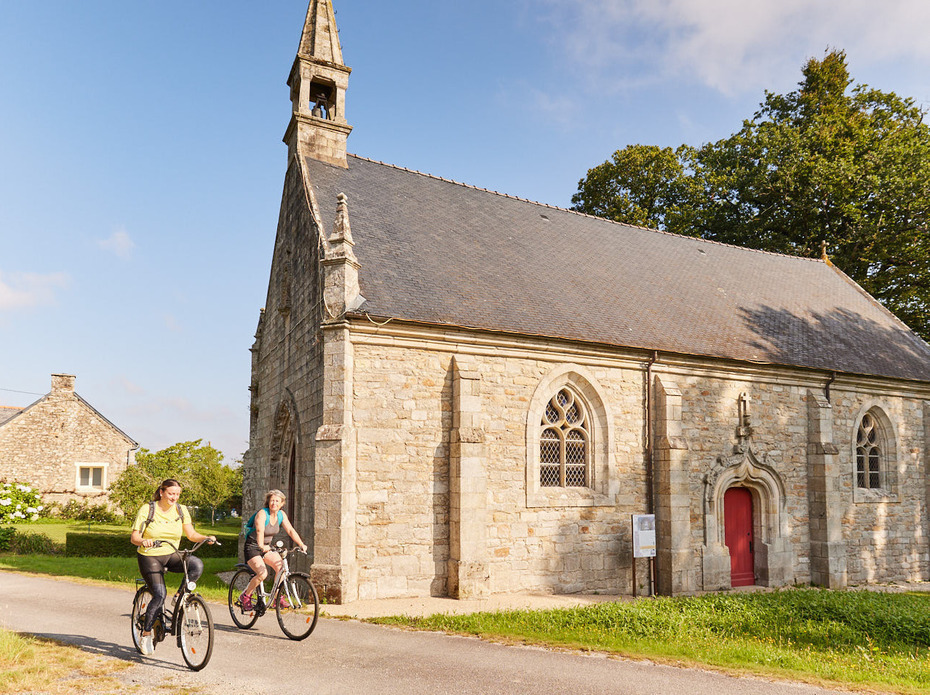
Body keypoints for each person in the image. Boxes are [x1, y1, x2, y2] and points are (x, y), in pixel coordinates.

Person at [130, 478, 216, 656]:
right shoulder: (148, 509)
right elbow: (134, 538)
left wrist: (205, 538)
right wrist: (143, 541)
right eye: (171, 493)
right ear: (162, 492)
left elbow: (191, 534)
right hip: (150, 556)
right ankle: (146, 635)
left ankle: (179, 596)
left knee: (196, 565)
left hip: (171, 554)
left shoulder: (181, 509)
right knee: (160, 594)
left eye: (177, 494)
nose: (174, 497)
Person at [238, 489, 307, 611]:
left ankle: (277, 598)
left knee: (281, 568)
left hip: (267, 547)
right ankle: (246, 596)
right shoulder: (262, 514)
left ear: (282, 503)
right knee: (262, 574)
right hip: (253, 547)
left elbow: (290, 530)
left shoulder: (281, 515)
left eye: (277, 501)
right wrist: (261, 545)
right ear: (268, 502)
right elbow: (259, 531)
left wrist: (301, 543)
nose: (274, 503)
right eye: (272, 500)